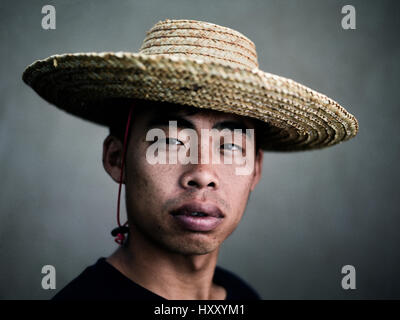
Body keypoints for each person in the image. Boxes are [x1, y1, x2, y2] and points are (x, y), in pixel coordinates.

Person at [22, 19, 358, 300]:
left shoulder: (242, 296)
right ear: (117, 159)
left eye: (229, 146)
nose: (203, 173)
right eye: (169, 141)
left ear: (255, 169)